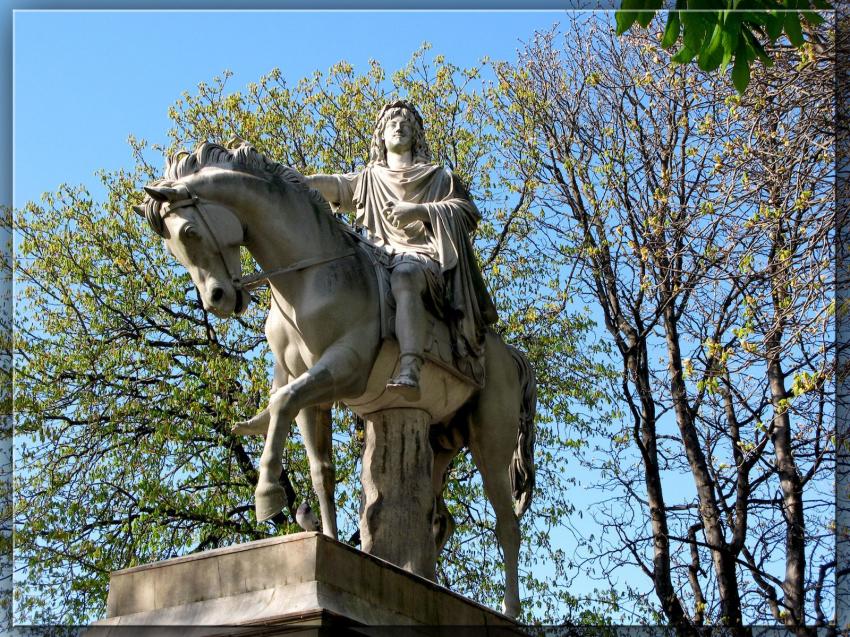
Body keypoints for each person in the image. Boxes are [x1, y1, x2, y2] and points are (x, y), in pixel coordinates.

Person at [305, 100, 497, 399]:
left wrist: (419, 211)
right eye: (392, 123)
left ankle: (410, 367)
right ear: (380, 136)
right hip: (377, 258)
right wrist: (293, 181)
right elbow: (335, 185)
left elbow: (466, 213)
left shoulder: (438, 177)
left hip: (423, 260)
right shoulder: (369, 178)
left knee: (405, 275)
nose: (399, 126)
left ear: (416, 136)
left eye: (406, 123)